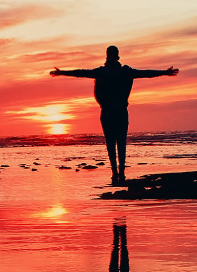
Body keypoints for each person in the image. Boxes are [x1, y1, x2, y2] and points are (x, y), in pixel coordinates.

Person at [50, 45, 178, 184]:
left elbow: (145, 73)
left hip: (110, 112)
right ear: (117, 56)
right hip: (117, 111)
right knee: (118, 142)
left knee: (113, 142)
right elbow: (82, 72)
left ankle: (117, 173)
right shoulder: (122, 72)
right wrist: (62, 72)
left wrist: (62, 72)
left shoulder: (107, 72)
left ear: (108, 56)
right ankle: (118, 173)